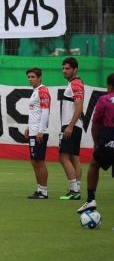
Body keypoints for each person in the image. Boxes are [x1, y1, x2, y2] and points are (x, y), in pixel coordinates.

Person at [77, 73, 114, 214]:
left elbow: (95, 124)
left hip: (109, 135)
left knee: (94, 163)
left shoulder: (104, 100)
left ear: (109, 86)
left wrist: (96, 143)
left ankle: (91, 199)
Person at [59, 57, 84, 201]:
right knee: (74, 157)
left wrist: (69, 126)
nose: (64, 71)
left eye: (67, 68)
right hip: (73, 124)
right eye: (63, 68)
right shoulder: (74, 84)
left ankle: (74, 191)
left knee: (63, 157)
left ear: (75, 70)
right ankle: (76, 188)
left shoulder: (75, 84)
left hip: (71, 125)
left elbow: (79, 105)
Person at [24, 68, 51, 199]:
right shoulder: (35, 92)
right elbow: (35, 112)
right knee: (34, 161)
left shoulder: (42, 90)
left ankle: (43, 191)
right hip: (34, 131)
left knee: (39, 161)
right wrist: (29, 127)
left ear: (40, 77)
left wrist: (40, 131)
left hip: (39, 133)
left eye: (33, 77)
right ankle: (39, 189)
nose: (30, 79)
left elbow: (45, 111)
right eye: (28, 77)